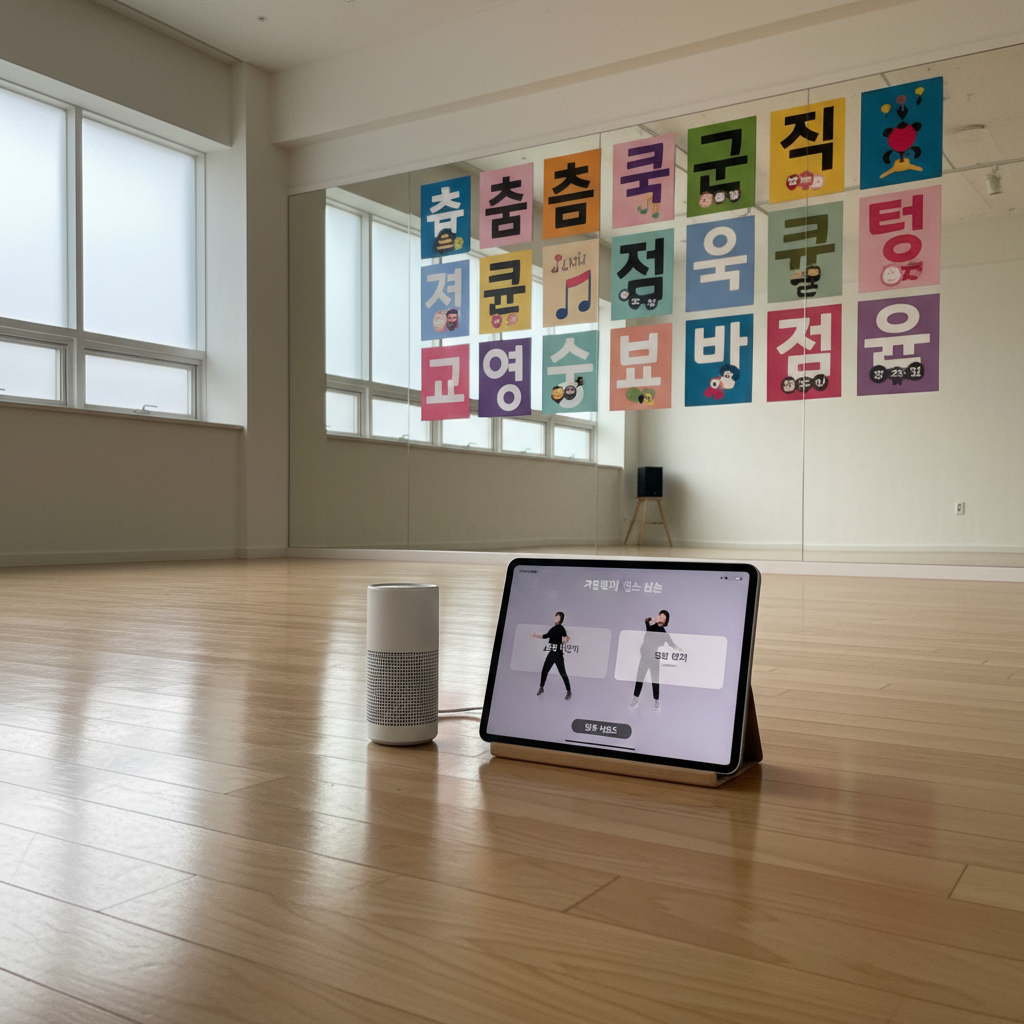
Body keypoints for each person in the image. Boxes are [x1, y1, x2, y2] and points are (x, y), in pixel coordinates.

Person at [630, 609, 680, 712]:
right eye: (659, 615)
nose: (660, 618)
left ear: (665, 621)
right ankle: (635, 699)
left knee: (655, 680)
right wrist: (654, 619)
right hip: (645, 657)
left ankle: (657, 701)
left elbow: (672, 645)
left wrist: (682, 651)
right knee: (639, 678)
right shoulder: (651, 625)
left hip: (654, 659)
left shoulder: (664, 633)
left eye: (662, 617)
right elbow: (647, 620)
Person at [531, 612, 572, 700]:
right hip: (551, 653)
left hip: (558, 655)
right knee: (544, 671)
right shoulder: (552, 629)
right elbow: (545, 636)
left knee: (563, 673)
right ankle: (541, 688)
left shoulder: (562, 629)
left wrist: (566, 639)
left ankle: (569, 691)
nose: (555, 619)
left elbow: (565, 640)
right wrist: (535, 635)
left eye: (557, 618)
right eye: (555, 617)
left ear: (561, 620)